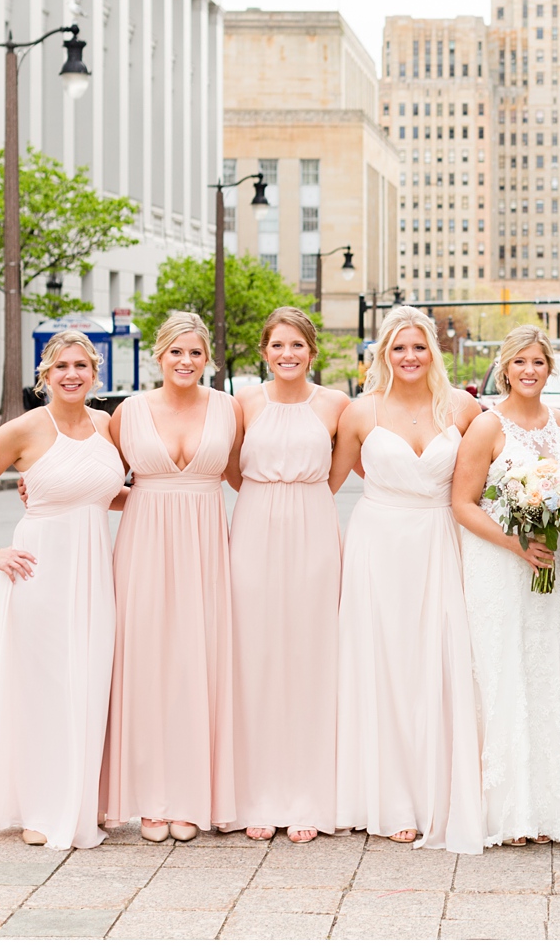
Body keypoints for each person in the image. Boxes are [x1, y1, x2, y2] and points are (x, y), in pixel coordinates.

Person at [0, 331, 126, 850]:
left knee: (89, 680)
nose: (72, 374)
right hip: (39, 571)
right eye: (61, 366)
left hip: (95, 569)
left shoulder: (105, 425)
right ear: (46, 375)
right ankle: (38, 806)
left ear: (95, 372)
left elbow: (107, 495)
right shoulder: (24, 429)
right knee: (44, 686)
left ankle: (82, 801)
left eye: (81, 365)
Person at [332, 306, 486, 852]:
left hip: (440, 540)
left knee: (441, 663)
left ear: (433, 352)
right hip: (379, 544)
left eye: (418, 347)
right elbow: (336, 475)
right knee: (385, 664)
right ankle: (393, 797)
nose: (410, 357)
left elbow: (492, 465)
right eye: (399, 348)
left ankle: (436, 790)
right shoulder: (360, 412)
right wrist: (393, 488)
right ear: (383, 354)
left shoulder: (462, 407)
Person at [103, 312, 243, 843]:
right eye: (176, 352)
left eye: (196, 353)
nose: (186, 362)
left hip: (207, 548)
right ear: (158, 356)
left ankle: (190, 797)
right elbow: (103, 480)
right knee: (146, 667)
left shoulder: (229, 410)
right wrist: (43, 488)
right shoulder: (129, 413)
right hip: (142, 547)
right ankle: (150, 800)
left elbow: (243, 477)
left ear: (209, 359)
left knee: (198, 666)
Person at [451, 324, 560, 847]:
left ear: (549, 367)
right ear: (504, 368)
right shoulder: (488, 427)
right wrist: (514, 543)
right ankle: (507, 812)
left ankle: (549, 807)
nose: (529, 370)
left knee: (542, 668)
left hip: (548, 570)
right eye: (519, 362)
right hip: (499, 563)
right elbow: (462, 503)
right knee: (502, 669)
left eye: (538, 361)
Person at [225, 307, 351, 844]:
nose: (287, 355)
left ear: (312, 351)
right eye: (277, 345)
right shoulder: (244, 402)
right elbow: (227, 465)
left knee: (310, 657)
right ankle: (257, 795)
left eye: (296, 346)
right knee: (253, 657)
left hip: (313, 526)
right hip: (253, 526)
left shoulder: (336, 404)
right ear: (264, 350)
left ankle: (308, 795)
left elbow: (339, 472)